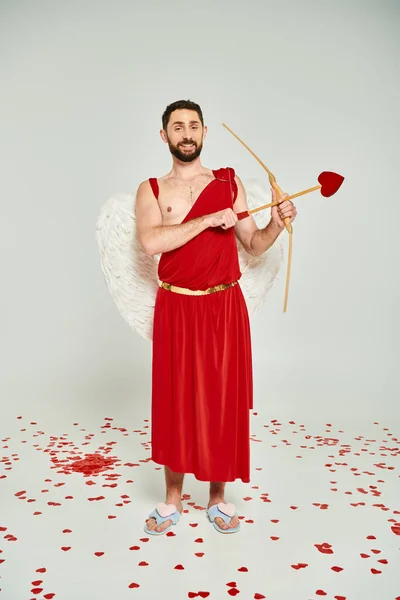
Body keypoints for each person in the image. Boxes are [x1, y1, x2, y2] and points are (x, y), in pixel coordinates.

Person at [134, 99, 297, 535]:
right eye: (177, 127)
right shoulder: (150, 189)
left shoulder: (229, 183)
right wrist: (207, 220)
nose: (186, 133)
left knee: (222, 400)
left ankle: (218, 499)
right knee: (175, 399)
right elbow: (150, 243)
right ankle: (171, 501)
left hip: (224, 306)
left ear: (204, 133)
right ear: (164, 135)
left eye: (193, 126)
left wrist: (278, 223)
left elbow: (254, 244)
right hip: (177, 305)